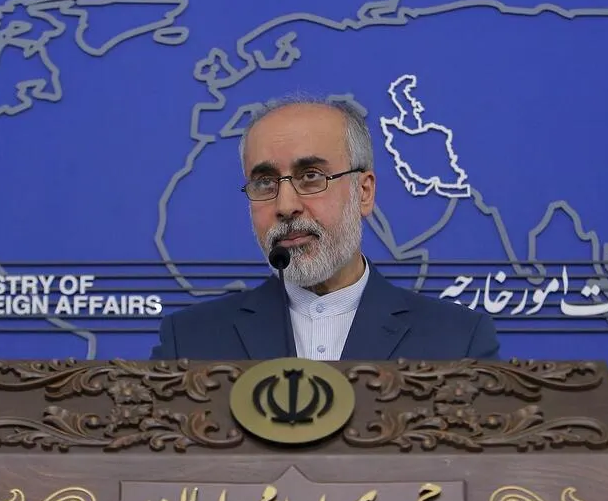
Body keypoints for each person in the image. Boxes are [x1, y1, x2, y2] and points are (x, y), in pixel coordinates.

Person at [150, 95, 500, 361]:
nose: (286, 205)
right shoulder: (190, 342)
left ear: (364, 192)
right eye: (265, 183)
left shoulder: (458, 342)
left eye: (311, 177)